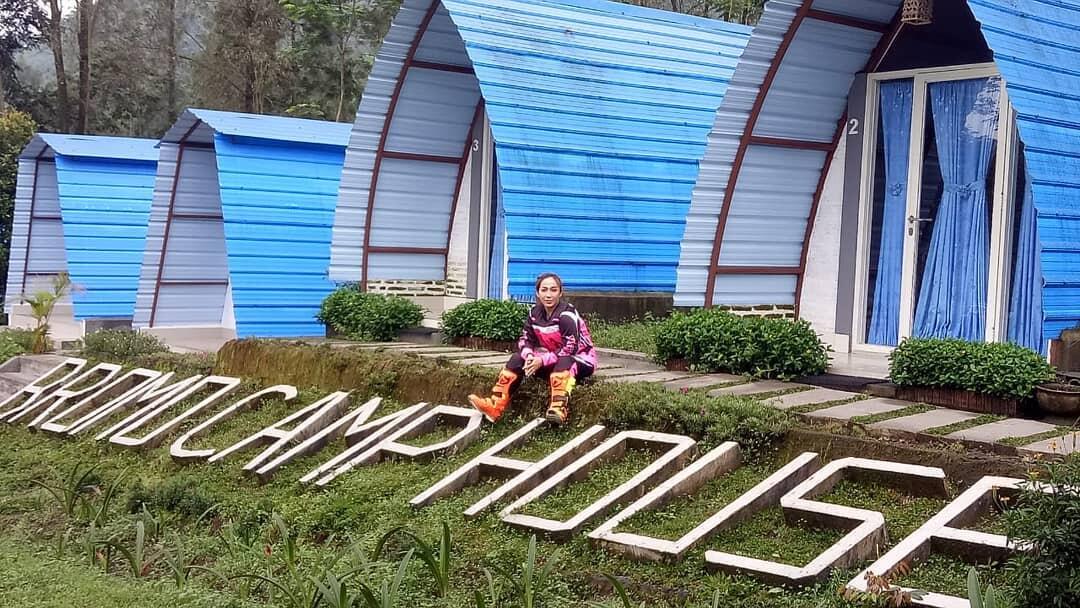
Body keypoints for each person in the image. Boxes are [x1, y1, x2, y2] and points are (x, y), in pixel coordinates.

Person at [468, 273, 597, 425]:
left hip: (580, 361)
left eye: (553, 290)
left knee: (565, 359)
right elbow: (525, 340)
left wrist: (542, 360)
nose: (548, 295)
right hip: (550, 361)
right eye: (544, 290)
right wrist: (529, 356)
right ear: (537, 293)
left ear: (560, 293)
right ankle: (495, 406)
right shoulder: (534, 314)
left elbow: (570, 348)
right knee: (517, 358)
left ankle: (558, 409)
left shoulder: (567, 315)